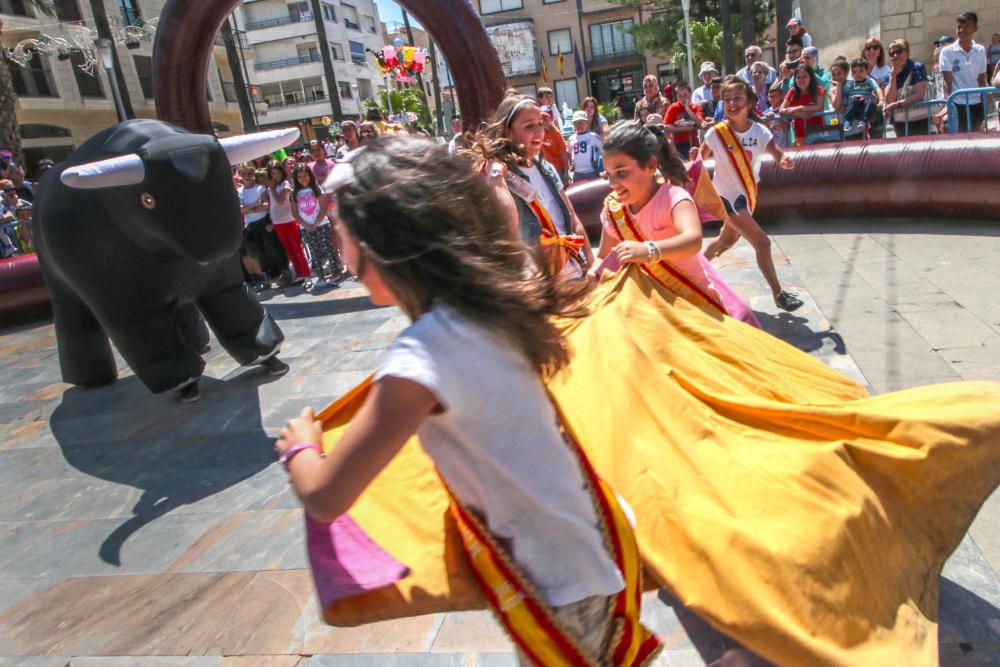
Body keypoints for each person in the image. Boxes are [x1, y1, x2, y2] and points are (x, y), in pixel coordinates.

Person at [277, 136, 657, 664]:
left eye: (340, 229)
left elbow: (325, 496)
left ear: (375, 246)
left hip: (563, 578)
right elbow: (500, 226)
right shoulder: (490, 302)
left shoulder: (423, 357)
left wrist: (301, 448)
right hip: (594, 541)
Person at [591, 120, 757, 325]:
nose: (613, 183)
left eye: (621, 172)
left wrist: (649, 250)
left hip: (695, 308)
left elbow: (693, 240)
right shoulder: (613, 210)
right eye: (608, 175)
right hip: (653, 313)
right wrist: (592, 275)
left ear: (651, 166)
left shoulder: (673, 198)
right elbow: (603, 256)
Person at [700, 76, 803, 312]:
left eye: (737, 98)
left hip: (746, 197)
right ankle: (778, 294)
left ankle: (694, 271)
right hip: (726, 199)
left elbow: (775, 151)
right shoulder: (716, 133)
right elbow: (698, 161)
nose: (732, 103)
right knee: (763, 243)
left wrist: (783, 159)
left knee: (724, 242)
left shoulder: (759, 131)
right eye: (727, 99)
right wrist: (695, 158)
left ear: (749, 102)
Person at [468, 94, 595, 276]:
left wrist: (591, 263)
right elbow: (507, 223)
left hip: (573, 269)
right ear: (508, 133)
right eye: (529, 126)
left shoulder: (546, 168)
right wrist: (496, 173)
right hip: (539, 280)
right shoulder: (500, 175)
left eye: (540, 123)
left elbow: (572, 217)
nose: (539, 131)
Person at [291, 164, 340, 288]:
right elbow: (295, 212)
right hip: (306, 227)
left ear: (310, 176)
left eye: (305, 176)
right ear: (296, 178)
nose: (303, 179)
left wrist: (316, 223)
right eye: (300, 177)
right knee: (314, 251)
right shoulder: (294, 193)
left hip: (322, 224)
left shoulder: (317, 189)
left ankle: (335, 273)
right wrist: (306, 225)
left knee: (328, 248)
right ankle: (321, 276)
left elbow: (323, 207)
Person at [940, 11, 989, 133]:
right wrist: (949, 105)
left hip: (976, 103)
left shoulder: (981, 50)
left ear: (975, 29)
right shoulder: (947, 52)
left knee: (976, 139)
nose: (961, 30)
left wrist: (985, 103)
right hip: (957, 103)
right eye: (959, 27)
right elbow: (947, 82)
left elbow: (981, 79)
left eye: (966, 26)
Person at [267, 161, 312, 288]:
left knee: (297, 249)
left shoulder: (285, 184)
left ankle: (307, 275)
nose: (275, 175)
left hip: (289, 220)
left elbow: (281, 200)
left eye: (277, 172)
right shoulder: (271, 187)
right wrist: (271, 221)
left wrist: (272, 189)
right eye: (273, 173)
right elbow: (272, 205)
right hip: (278, 222)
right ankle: (300, 274)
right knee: (289, 250)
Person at [884, 39, 931, 137]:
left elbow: (919, 95)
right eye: (892, 53)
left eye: (899, 51)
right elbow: (889, 100)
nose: (895, 56)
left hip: (920, 117)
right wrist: (893, 77)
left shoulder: (917, 67)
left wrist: (898, 104)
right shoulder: (888, 75)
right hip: (900, 120)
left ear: (907, 52)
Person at [237, 164, 270, 291]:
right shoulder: (239, 191)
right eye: (244, 174)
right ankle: (257, 277)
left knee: (262, 251)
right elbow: (240, 209)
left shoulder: (260, 188)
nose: (247, 176)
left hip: (262, 221)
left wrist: (249, 208)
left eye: (249, 173)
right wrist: (256, 206)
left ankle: (266, 276)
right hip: (248, 225)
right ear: (240, 175)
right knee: (250, 253)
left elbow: (266, 205)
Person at [780, 63, 825, 145]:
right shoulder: (792, 91)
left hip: (817, 134)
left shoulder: (818, 89)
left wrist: (799, 108)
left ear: (811, 77)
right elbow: (781, 110)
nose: (801, 80)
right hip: (800, 136)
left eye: (805, 76)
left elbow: (819, 107)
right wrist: (798, 114)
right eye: (798, 77)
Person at [841, 57, 885, 132]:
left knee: (870, 101)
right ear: (851, 73)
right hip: (854, 103)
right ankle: (848, 120)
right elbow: (843, 93)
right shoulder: (850, 83)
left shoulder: (869, 81)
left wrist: (881, 100)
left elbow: (877, 89)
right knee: (854, 99)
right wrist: (841, 105)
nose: (858, 74)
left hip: (865, 103)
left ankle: (863, 121)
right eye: (855, 72)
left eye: (861, 71)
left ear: (866, 71)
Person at [663, 82, 704, 158]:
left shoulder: (696, 107)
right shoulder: (673, 108)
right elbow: (665, 126)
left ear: (690, 94)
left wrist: (687, 108)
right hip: (678, 144)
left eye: (685, 95)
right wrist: (684, 128)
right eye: (680, 96)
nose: (683, 98)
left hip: (695, 144)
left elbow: (699, 122)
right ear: (677, 97)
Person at [568, 110, 603, 184]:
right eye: (576, 123)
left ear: (587, 123)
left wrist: (598, 161)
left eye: (581, 122)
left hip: (591, 171)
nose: (579, 125)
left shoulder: (593, 136)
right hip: (577, 172)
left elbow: (602, 149)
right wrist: (571, 163)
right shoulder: (571, 138)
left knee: (593, 191)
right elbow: (568, 152)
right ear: (573, 125)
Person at [540, 109, 568, 184]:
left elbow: (564, 153)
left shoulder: (556, 133)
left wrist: (566, 172)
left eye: (546, 118)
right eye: (541, 118)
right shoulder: (539, 132)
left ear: (552, 119)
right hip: (545, 169)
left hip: (558, 169)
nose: (543, 121)